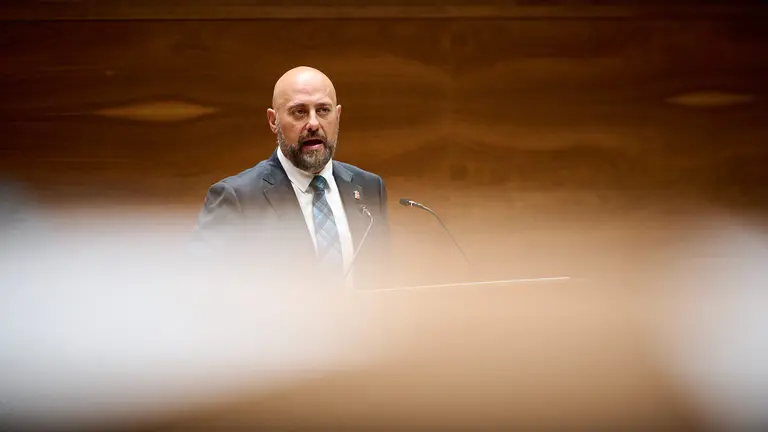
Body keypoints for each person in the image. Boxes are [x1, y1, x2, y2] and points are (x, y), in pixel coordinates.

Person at [192, 66, 392, 290]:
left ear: (338, 116)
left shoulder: (370, 187)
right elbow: (206, 294)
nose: (314, 124)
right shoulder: (237, 199)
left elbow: (382, 282)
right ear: (273, 120)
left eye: (323, 110)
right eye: (299, 112)